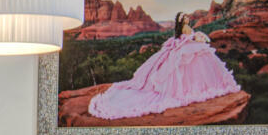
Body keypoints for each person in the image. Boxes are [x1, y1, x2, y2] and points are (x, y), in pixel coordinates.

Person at [86, 17, 244, 120]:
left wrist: (197, 38)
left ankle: (198, 87)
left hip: (188, 48)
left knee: (193, 67)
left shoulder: (186, 29)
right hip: (186, 48)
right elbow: (186, 37)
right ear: (181, 21)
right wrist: (196, 37)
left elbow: (186, 38)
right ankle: (191, 89)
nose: (187, 18)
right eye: (184, 17)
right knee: (183, 70)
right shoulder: (186, 29)